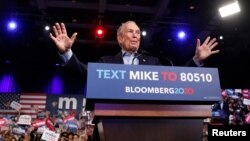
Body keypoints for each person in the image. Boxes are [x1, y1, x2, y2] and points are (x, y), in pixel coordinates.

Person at [49, 21, 219, 77]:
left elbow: (176, 79)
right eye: (130, 32)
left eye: (138, 33)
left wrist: (196, 60)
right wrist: (66, 52)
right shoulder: (106, 62)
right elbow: (82, 71)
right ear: (119, 38)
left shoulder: (154, 62)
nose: (136, 35)